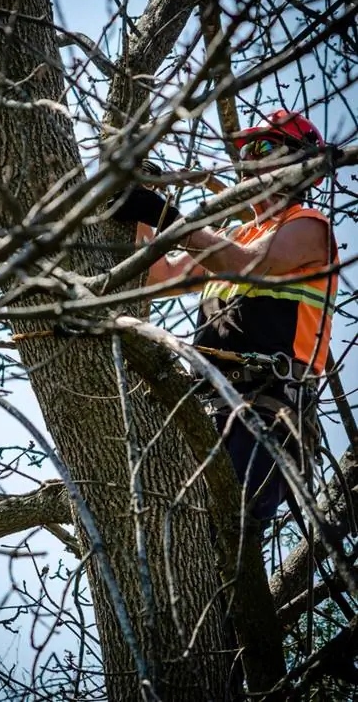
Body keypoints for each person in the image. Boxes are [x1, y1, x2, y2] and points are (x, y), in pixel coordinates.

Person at [112, 110, 338, 526]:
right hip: (209, 410)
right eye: (247, 150)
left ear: (301, 164)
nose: (250, 158)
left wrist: (166, 215)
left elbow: (243, 264)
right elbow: (163, 275)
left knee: (222, 534)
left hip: (266, 413)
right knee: (170, 526)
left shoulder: (309, 228)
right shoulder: (237, 234)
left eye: (265, 147)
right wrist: (139, 207)